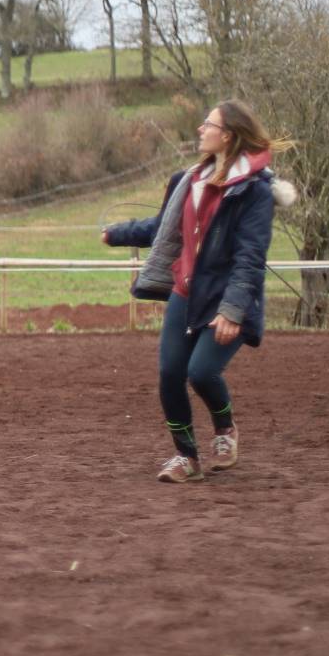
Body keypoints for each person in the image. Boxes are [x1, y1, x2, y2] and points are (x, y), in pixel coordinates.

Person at [103, 100, 297, 484]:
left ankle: (225, 429)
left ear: (226, 136)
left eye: (207, 124)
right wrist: (116, 234)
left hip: (229, 299)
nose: (199, 129)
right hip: (186, 291)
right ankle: (186, 457)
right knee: (170, 373)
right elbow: (162, 228)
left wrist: (233, 310)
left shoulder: (254, 193)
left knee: (202, 372)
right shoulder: (185, 181)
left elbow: (250, 257)